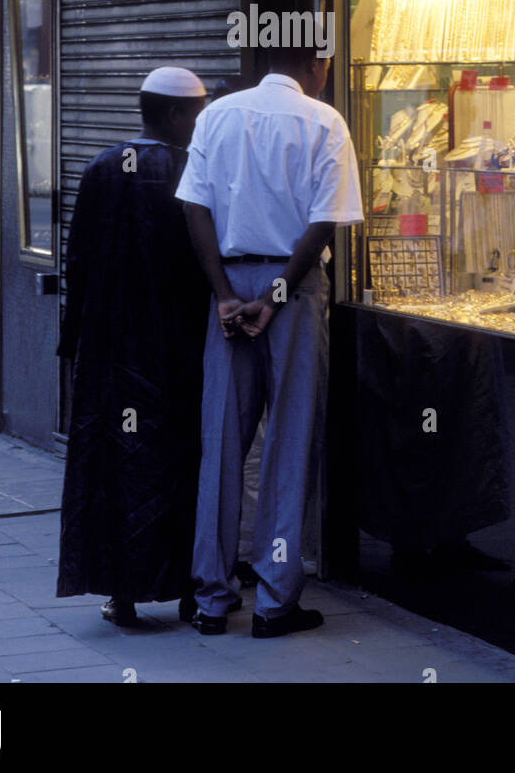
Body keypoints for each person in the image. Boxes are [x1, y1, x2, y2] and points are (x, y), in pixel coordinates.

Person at [177, 40, 363, 638]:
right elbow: (322, 223)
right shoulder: (324, 121)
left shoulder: (216, 115)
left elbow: (195, 210)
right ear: (316, 64)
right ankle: (275, 601)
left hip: (230, 283)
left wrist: (227, 295)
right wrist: (276, 296)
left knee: (221, 439)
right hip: (294, 285)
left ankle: (211, 598)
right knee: (289, 440)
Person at [56, 66, 210, 629]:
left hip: (109, 352)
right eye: (196, 114)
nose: (200, 124)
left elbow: (78, 260)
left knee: (112, 469)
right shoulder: (192, 168)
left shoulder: (101, 168)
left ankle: (122, 595)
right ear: (175, 115)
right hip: (180, 348)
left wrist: (73, 339)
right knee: (184, 463)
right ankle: (193, 592)